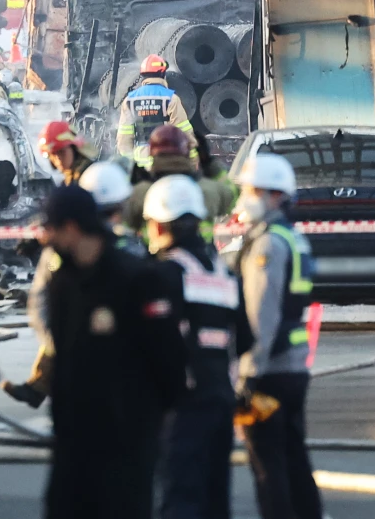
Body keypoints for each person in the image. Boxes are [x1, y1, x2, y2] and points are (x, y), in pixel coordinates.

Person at [42, 185, 187, 519]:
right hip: (74, 440)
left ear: (72, 228)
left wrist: (148, 421)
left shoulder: (136, 280)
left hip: (126, 440)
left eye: (50, 229)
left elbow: (168, 358)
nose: (45, 238)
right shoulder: (63, 283)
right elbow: (63, 358)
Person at [145, 175, 247, 519]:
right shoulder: (224, 273)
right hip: (221, 400)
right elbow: (246, 338)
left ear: (160, 224)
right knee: (215, 498)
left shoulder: (166, 275)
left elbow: (155, 344)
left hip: (182, 405)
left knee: (181, 497)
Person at [1, 161, 142, 408]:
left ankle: (37, 387)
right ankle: (37, 386)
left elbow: (41, 304)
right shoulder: (131, 251)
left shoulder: (64, 250)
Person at [231, 152, 323, 519]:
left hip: (268, 371)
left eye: (252, 190)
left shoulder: (267, 245)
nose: (245, 198)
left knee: (268, 466)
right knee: (294, 458)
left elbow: (261, 316)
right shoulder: (293, 237)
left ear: (275, 195)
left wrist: (248, 376)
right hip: (294, 368)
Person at [126, 124, 234, 239]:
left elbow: (123, 225)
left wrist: (132, 186)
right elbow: (233, 197)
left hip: (155, 253)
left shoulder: (142, 193)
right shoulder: (207, 190)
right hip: (200, 254)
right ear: (186, 152)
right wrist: (209, 164)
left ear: (152, 153)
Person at [117, 54, 197, 169]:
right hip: (165, 162)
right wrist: (193, 160)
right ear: (162, 74)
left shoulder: (129, 100)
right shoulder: (171, 99)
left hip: (140, 163)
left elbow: (124, 137)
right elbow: (184, 132)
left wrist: (130, 164)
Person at [39, 120, 95, 186]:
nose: (58, 158)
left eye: (61, 151)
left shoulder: (93, 176)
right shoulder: (69, 181)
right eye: (53, 154)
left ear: (74, 148)